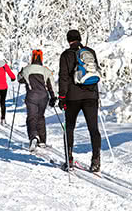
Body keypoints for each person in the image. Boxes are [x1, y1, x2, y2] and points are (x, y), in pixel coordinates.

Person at [58, 29, 101, 172]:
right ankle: (96, 161)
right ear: (80, 38)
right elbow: (95, 72)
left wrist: (62, 97)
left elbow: (63, 77)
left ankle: (69, 159)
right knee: (93, 129)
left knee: (69, 127)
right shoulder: (90, 52)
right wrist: (96, 96)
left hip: (72, 97)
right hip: (91, 95)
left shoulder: (66, 55)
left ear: (68, 40)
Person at [18, 49, 57, 152]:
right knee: (40, 117)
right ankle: (42, 141)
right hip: (43, 97)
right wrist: (53, 97)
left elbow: (19, 79)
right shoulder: (46, 70)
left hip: (31, 96)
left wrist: (21, 72)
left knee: (31, 117)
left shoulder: (27, 69)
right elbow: (51, 85)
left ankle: (34, 136)